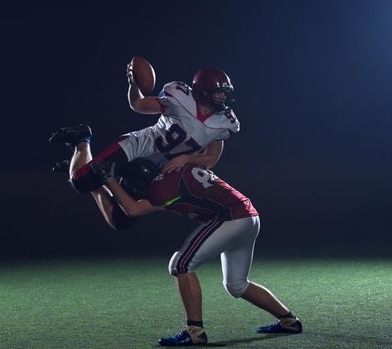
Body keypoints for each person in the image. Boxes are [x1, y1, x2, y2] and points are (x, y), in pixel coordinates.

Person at [88, 157, 303, 346]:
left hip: (231, 219)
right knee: (236, 285)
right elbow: (145, 205)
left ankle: (195, 332)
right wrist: (106, 182)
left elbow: (134, 209)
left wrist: (107, 180)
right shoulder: (173, 173)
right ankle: (289, 321)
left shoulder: (163, 188)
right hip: (249, 217)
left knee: (180, 264)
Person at [48, 63, 240, 195]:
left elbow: (211, 159)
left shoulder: (224, 122)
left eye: (225, 92)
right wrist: (133, 85)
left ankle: (84, 166)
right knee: (81, 183)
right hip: (135, 148)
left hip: (154, 169)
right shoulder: (180, 98)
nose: (223, 97)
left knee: (121, 220)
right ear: (202, 90)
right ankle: (83, 138)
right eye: (219, 92)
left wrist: (187, 158)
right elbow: (138, 104)